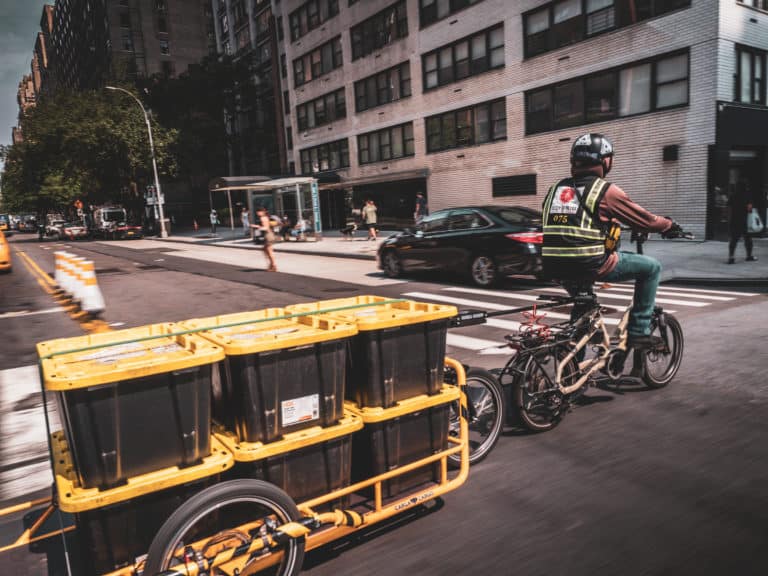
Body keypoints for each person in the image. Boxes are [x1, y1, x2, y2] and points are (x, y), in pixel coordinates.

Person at [542, 133, 682, 350]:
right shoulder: (605, 191)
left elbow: (576, 219)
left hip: (553, 265)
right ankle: (639, 332)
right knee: (652, 268)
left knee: (584, 310)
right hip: (590, 264)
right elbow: (645, 220)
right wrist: (668, 225)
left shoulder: (555, 190)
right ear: (605, 161)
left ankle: (573, 368)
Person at [727, 177, 757, 264]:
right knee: (748, 239)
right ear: (745, 186)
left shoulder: (733, 195)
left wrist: (729, 219)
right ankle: (749, 256)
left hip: (734, 220)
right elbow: (749, 208)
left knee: (734, 240)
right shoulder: (747, 194)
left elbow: (728, 208)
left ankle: (731, 258)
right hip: (745, 221)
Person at [251, 206, 277, 271]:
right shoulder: (265, 217)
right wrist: (256, 226)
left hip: (268, 235)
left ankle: (273, 265)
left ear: (262, 212)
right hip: (269, 235)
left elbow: (266, 228)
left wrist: (258, 228)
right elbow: (265, 226)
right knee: (265, 250)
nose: (257, 213)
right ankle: (271, 265)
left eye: (258, 212)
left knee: (269, 251)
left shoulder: (263, 218)